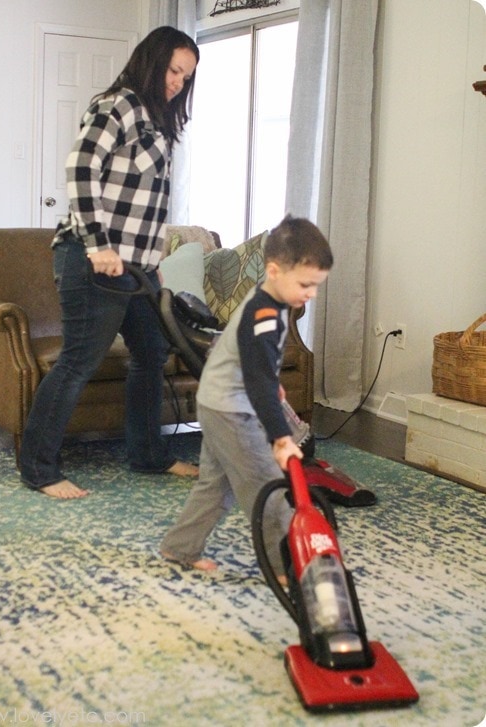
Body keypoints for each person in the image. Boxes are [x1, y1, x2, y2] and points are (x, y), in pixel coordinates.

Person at [19, 26, 200, 499]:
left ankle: (147, 455)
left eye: (187, 76)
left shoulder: (159, 124)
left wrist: (151, 261)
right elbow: (81, 168)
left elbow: (145, 203)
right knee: (80, 360)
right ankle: (38, 468)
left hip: (134, 267)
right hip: (90, 257)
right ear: (151, 61)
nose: (179, 81)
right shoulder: (117, 105)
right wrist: (98, 245)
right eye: (173, 69)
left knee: (151, 352)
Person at [160, 215, 333, 578]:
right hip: (231, 409)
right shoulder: (265, 315)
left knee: (214, 485)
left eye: (316, 285)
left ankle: (179, 548)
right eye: (305, 284)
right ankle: (285, 565)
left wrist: (269, 378)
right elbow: (256, 384)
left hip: (216, 400)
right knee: (266, 485)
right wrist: (281, 438)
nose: (311, 294)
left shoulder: (268, 299)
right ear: (274, 270)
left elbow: (250, 360)